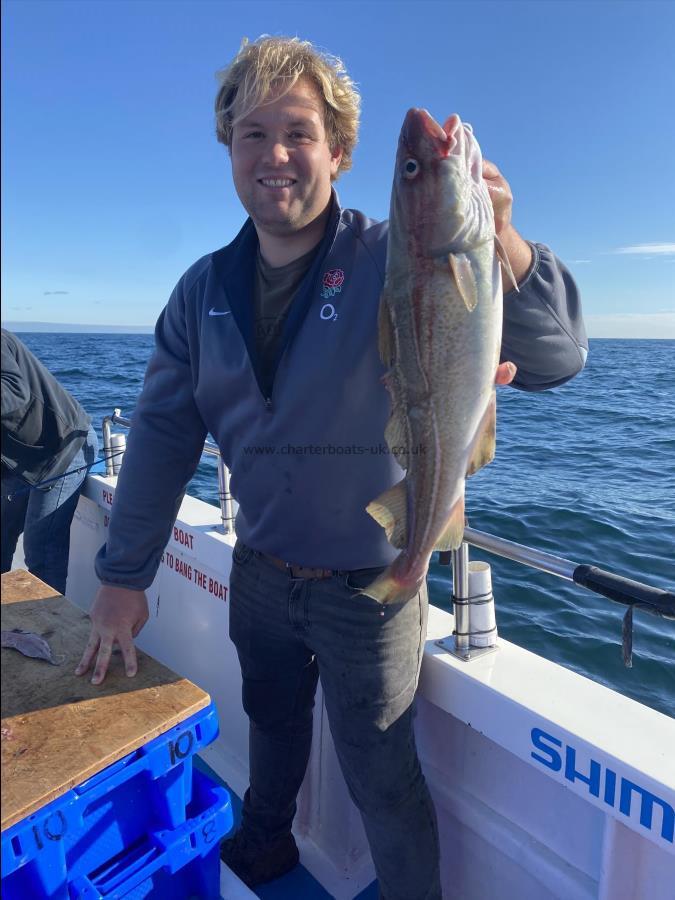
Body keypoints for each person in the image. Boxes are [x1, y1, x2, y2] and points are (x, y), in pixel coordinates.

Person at [75, 36, 588, 900]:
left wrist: (504, 239)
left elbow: (557, 355)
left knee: (382, 777)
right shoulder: (201, 292)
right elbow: (163, 437)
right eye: (252, 134)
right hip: (261, 572)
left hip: (373, 581)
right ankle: (265, 849)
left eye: (299, 132)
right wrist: (123, 576)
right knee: (269, 730)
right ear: (228, 150)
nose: (275, 155)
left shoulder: (406, 254)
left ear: (340, 152)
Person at [1, 329, 99, 594]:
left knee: (40, 549)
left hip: (62, 448)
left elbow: (13, 391)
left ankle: (50, 629)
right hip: (16, 459)